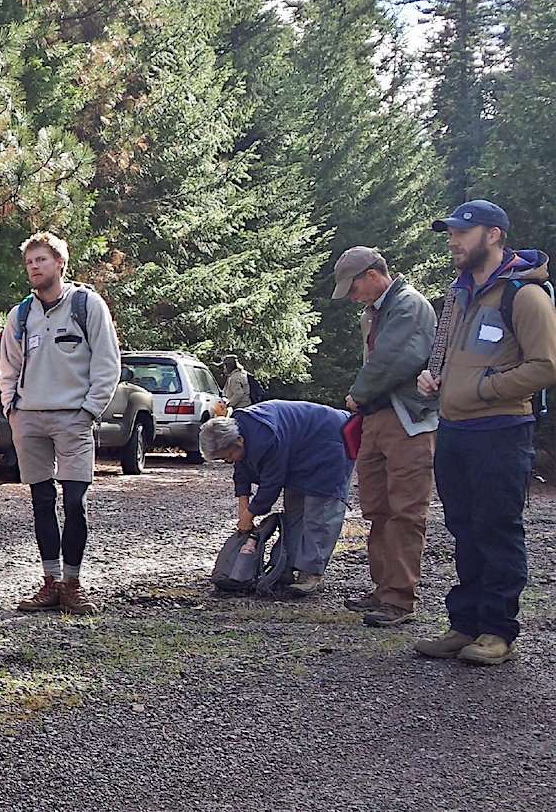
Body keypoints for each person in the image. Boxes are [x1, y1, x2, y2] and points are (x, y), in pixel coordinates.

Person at [412, 200, 556, 666]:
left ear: (493, 235)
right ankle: (465, 625)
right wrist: (431, 379)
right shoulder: (458, 294)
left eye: (462, 232)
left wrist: (483, 388)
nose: (453, 240)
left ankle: (498, 632)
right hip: (454, 430)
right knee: (464, 529)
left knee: (497, 530)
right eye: (450, 232)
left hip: (501, 431)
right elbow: (449, 358)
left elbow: (546, 365)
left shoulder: (525, 295)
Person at [0, 232, 120, 616]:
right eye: (30, 262)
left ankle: (73, 583)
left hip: (73, 417)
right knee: (41, 502)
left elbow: (106, 362)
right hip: (29, 418)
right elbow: (8, 365)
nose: (34, 267)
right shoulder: (20, 314)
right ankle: (50, 582)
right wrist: (11, 408)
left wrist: (89, 410)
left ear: (60, 264)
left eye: (42, 260)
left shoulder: (87, 306)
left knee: (75, 501)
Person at [331, 247, 438, 628]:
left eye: (354, 286)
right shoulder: (375, 313)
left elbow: (393, 360)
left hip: (407, 419)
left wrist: (357, 394)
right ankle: (382, 588)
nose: (353, 295)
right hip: (378, 418)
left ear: (373, 275)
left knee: (406, 509)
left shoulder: (410, 305)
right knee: (376, 507)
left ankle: (400, 596)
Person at [198, 402, 354, 597]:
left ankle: (312, 574)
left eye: (228, 456)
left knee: (319, 513)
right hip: (299, 450)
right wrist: (243, 505)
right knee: (294, 512)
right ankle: (286, 567)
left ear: (239, 440)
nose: (228, 461)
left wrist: (250, 514)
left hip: (330, 443)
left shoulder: (266, 439)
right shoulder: (240, 432)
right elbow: (242, 471)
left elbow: (270, 486)